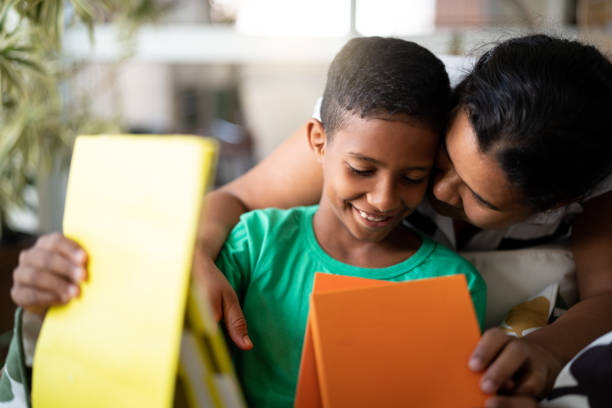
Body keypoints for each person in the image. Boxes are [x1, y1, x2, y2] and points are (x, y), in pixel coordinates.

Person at [2, 37, 487, 408]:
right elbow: (151, 318)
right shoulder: (254, 243)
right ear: (318, 143)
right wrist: (63, 289)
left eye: (414, 177)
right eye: (361, 170)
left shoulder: (453, 284)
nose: (383, 198)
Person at [192, 34, 612, 407]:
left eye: (477, 195)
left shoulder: (592, 180)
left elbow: (606, 296)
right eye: (441, 160)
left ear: (557, 205)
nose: (439, 189)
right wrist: (194, 254)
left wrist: (548, 349)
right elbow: (236, 197)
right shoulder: (386, 112)